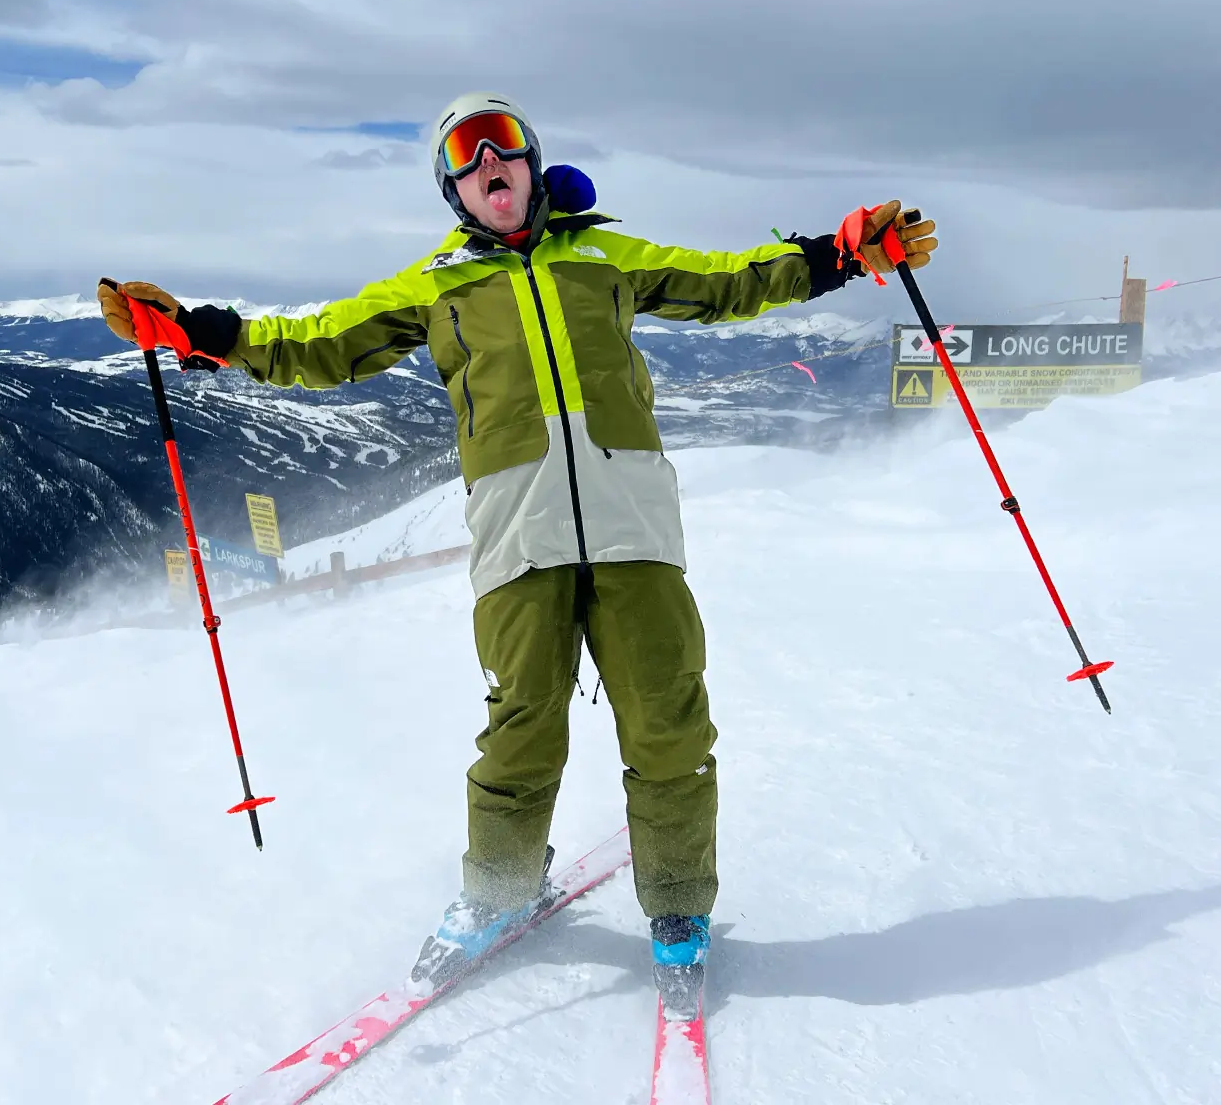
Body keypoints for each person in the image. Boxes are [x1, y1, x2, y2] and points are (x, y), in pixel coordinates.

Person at [97, 92, 936, 1010]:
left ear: (533, 164)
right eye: (465, 153)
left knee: (668, 721)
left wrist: (842, 252)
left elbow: (731, 280)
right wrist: (201, 334)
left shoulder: (610, 257)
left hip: (634, 527)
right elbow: (317, 345)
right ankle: (499, 889)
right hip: (517, 532)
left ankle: (679, 911)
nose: (488, 159)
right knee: (521, 723)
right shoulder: (436, 283)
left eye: (503, 145)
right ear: (454, 189)